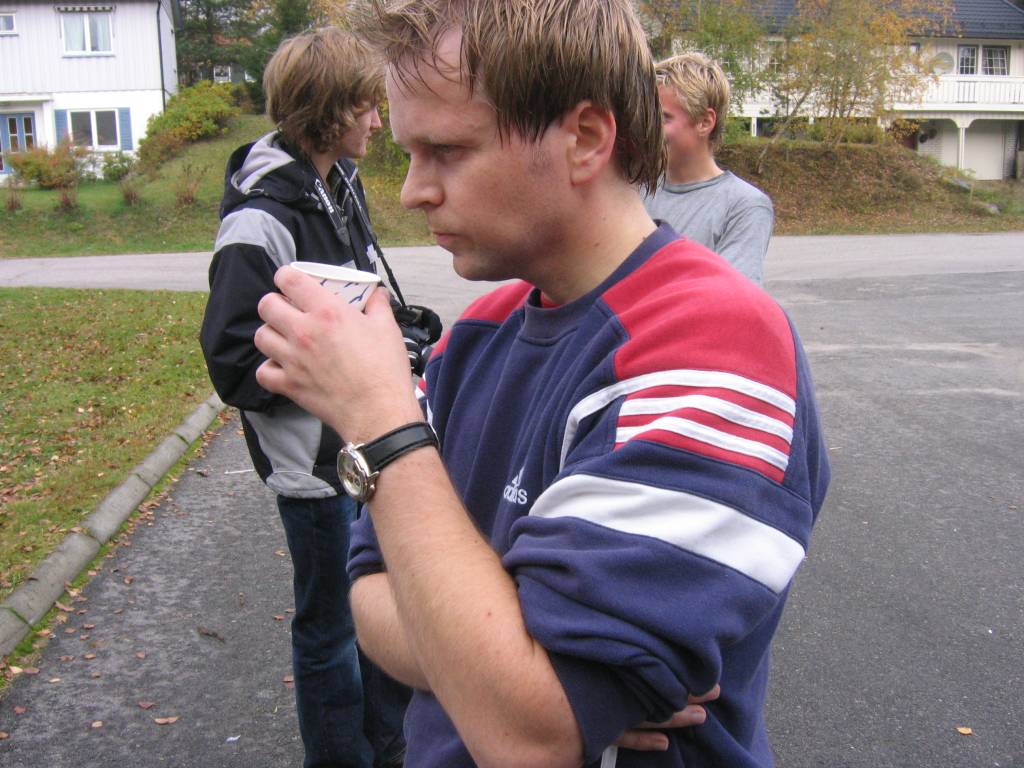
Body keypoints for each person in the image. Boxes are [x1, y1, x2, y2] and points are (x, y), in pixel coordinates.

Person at [252, 2, 830, 766]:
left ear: (585, 138)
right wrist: (501, 660)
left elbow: (528, 735)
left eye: (446, 151)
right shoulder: (474, 338)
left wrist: (381, 421)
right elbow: (368, 597)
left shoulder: (720, 343)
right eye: (408, 153)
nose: (414, 191)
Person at [199, 27, 409, 768]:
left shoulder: (338, 184)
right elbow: (231, 360)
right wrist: (333, 372)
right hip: (316, 467)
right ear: (328, 110)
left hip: (367, 442)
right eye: (366, 106)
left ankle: (389, 749)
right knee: (331, 630)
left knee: (383, 607)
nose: (378, 121)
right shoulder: (260, 218)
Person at [643, 52, 774, 285]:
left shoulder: (744, 206)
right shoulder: (635, 191)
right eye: (647, 116)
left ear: (705, 122)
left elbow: (729, 296)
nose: (648, 128)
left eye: (662, 118)